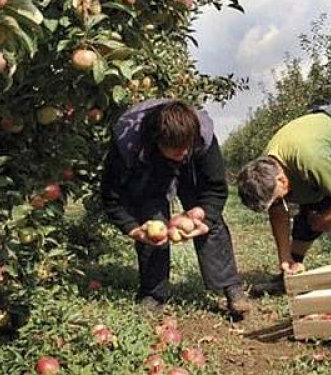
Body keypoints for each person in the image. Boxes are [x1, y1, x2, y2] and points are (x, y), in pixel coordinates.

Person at [99, 98, 250, 316]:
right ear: (157, 141)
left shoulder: (201, 138)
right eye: (176, 149)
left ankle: (230, 287)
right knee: (151, 221)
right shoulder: (128, 143)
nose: (183, 153)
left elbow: (215, 189)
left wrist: (204, 215)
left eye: (186, 148)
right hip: (149, 166)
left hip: (189, 167)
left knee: (210, 221)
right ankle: (153, 293)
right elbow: (111, 196)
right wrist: (134, 228)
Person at [236, 103, 331, 282]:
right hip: (323, 154)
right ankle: (291, 272)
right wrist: (284, 258)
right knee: (309, 212)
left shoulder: (310, 161)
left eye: (278, 199)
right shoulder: (267, 169)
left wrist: (325, 219)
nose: (281, 202)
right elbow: (278, 211)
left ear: (281, 180)